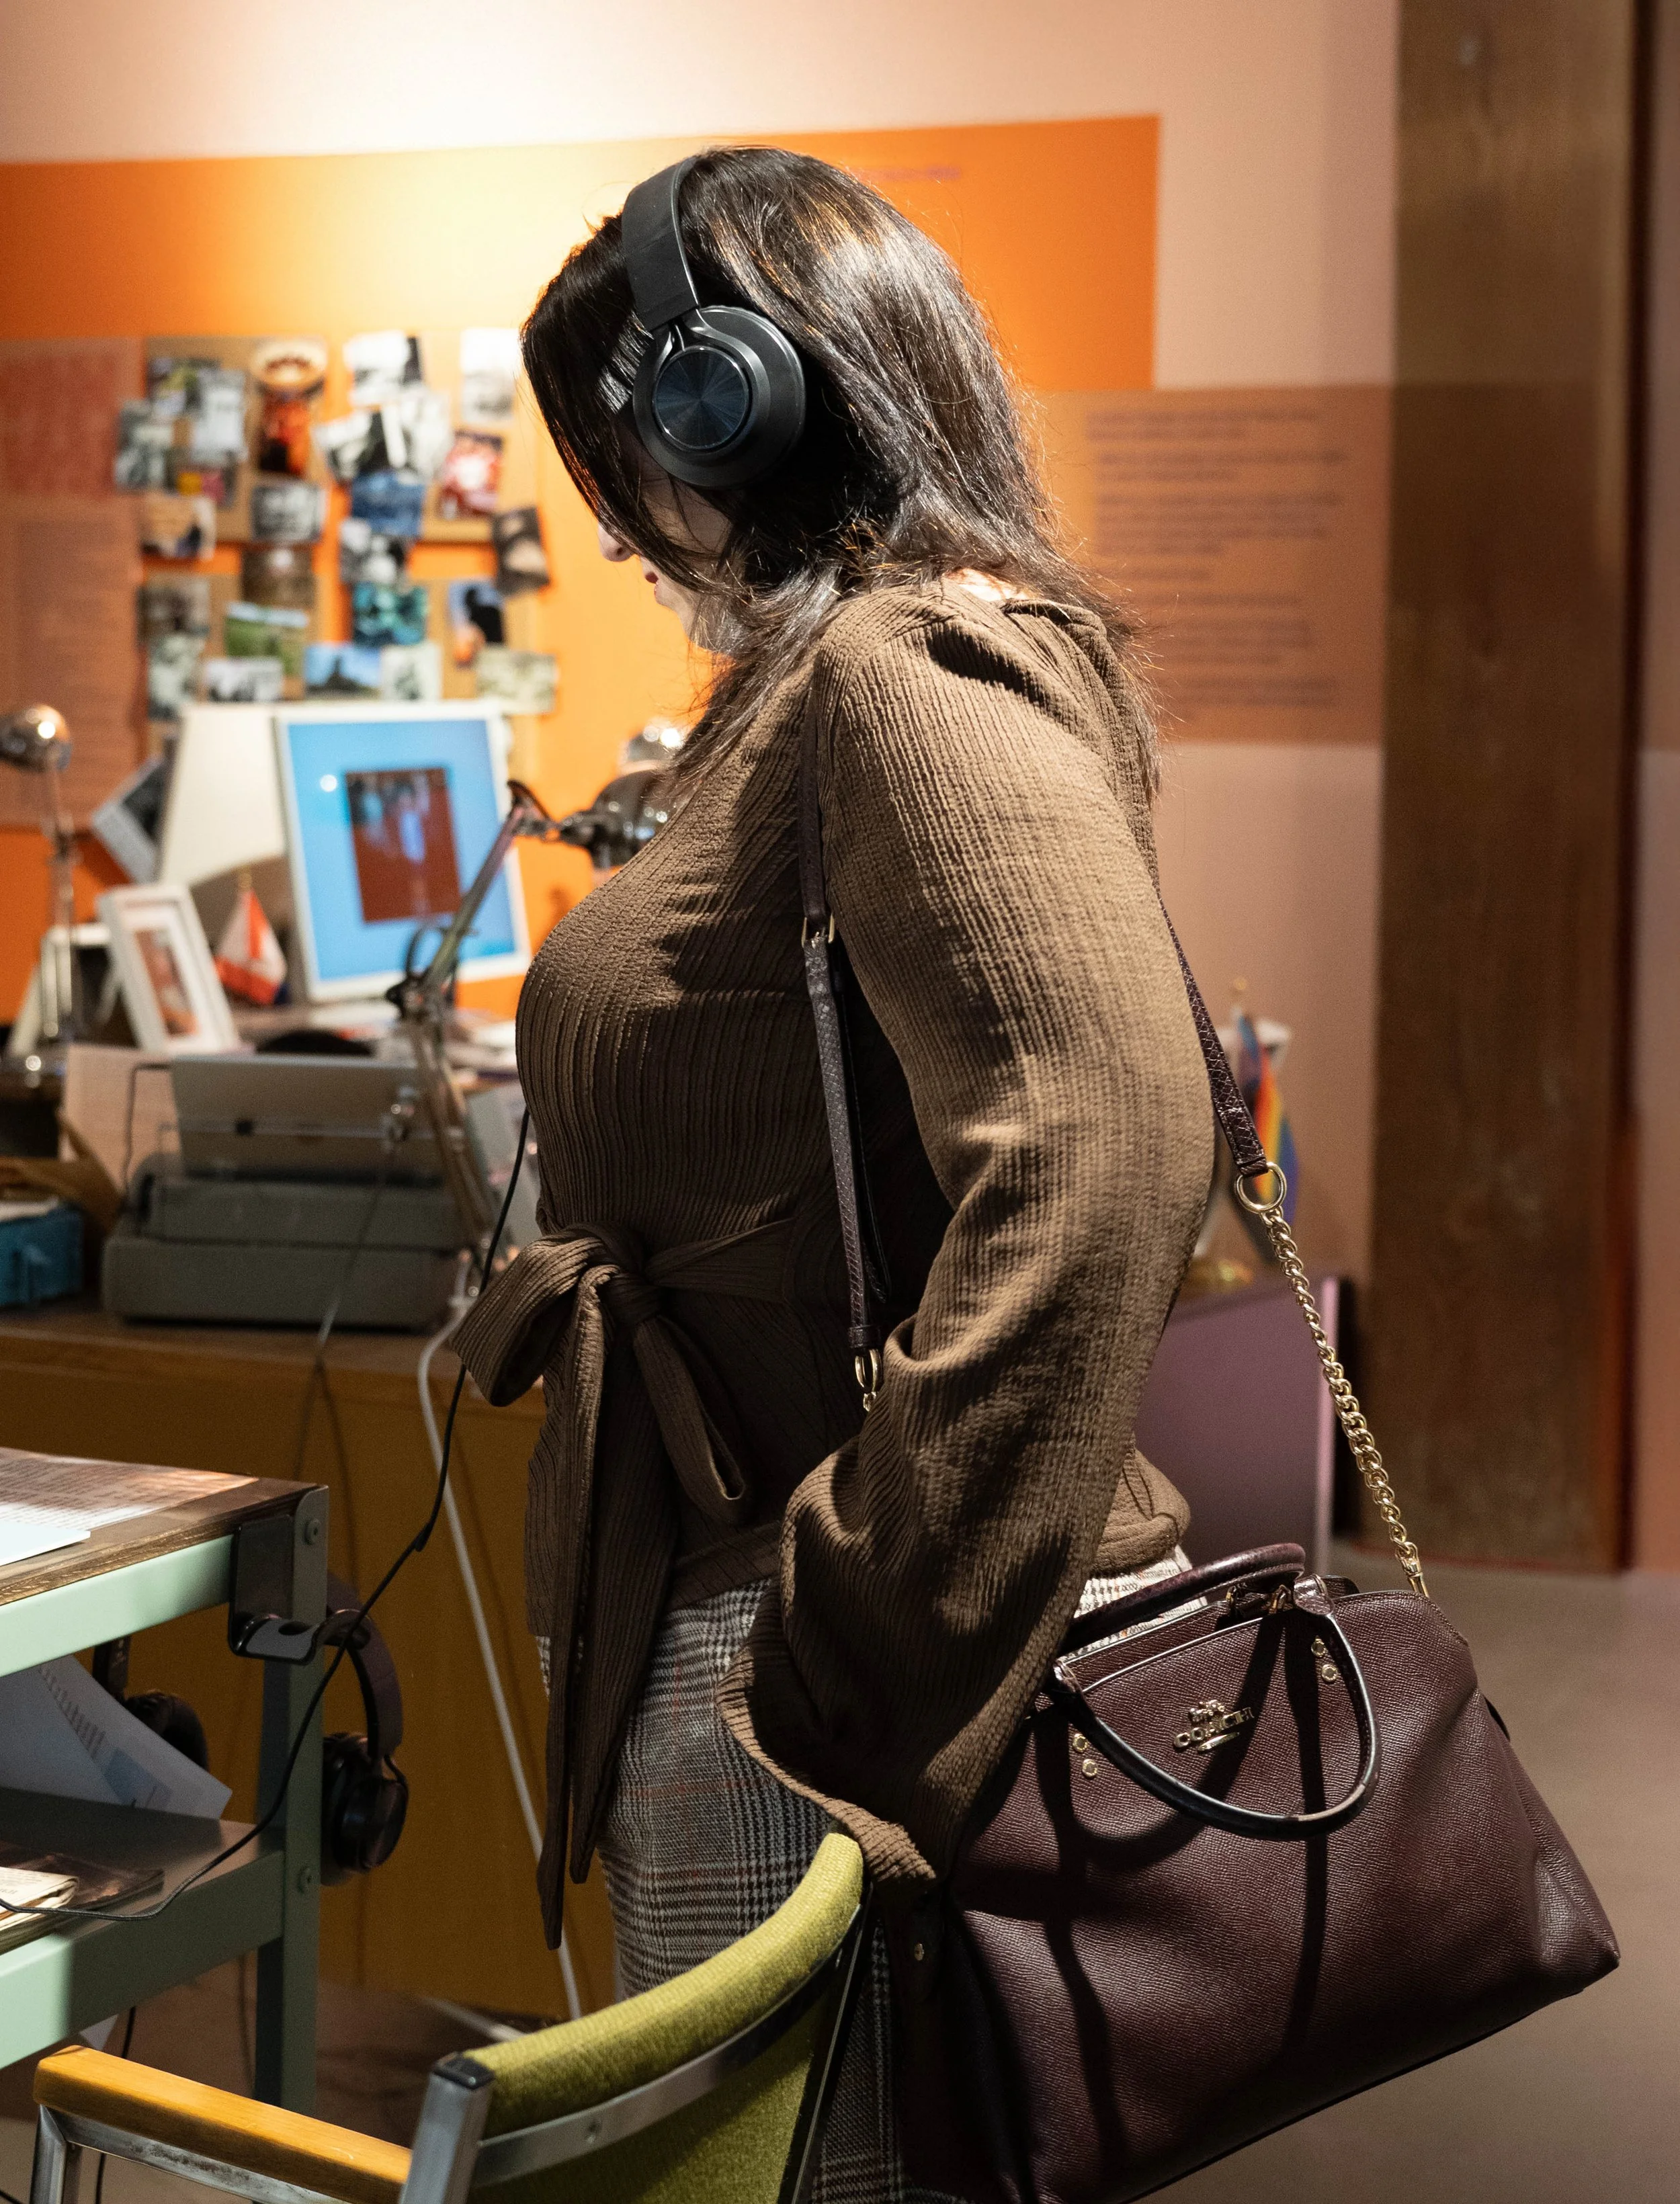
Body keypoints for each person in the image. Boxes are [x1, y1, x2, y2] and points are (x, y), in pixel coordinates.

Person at [454, 145, 1212, 2201]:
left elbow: (1108, 1142)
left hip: (820, 1662)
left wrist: (850, 1646)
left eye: (624, 466)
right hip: (780, 1614)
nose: (626, 530)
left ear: (732, 403)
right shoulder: (846, 673)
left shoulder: (902, 672)